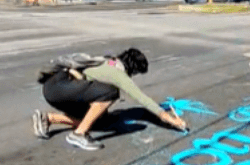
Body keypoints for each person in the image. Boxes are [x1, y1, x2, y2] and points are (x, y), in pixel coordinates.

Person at [32, 48, 187, 151]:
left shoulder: (108, 60)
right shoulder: (118, 74)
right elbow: (142, 98)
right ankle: (78, 135)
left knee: (100, 120)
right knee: (111, 92)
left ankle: (47, 119)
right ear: (133, 68)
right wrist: (169, 119)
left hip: (53, 87)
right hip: (61, 89)